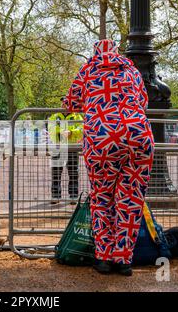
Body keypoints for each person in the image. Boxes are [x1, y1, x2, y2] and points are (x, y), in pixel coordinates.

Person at [62, 39, 154, 276]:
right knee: (130, 200)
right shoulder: (132, 70)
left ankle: (103, 258)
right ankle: (123, 259)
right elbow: (143, 102)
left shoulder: (88, 69)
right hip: (138, 136)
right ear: (116, 52)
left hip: (102, 139)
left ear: (95, 52)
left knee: (102, 197)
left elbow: (71, 104)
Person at [48, 111, 83, 205]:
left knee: (73, 172)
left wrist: (71, 132)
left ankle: (73, 196)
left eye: (67, 103)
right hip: (57, 147)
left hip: (72, 147)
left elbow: (82, 129)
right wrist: (61, 131)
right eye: (63, 102)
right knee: (56, 172)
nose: (65, 105)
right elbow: (50, 128)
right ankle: (55, 196)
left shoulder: (77, 116)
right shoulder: (54, 116)